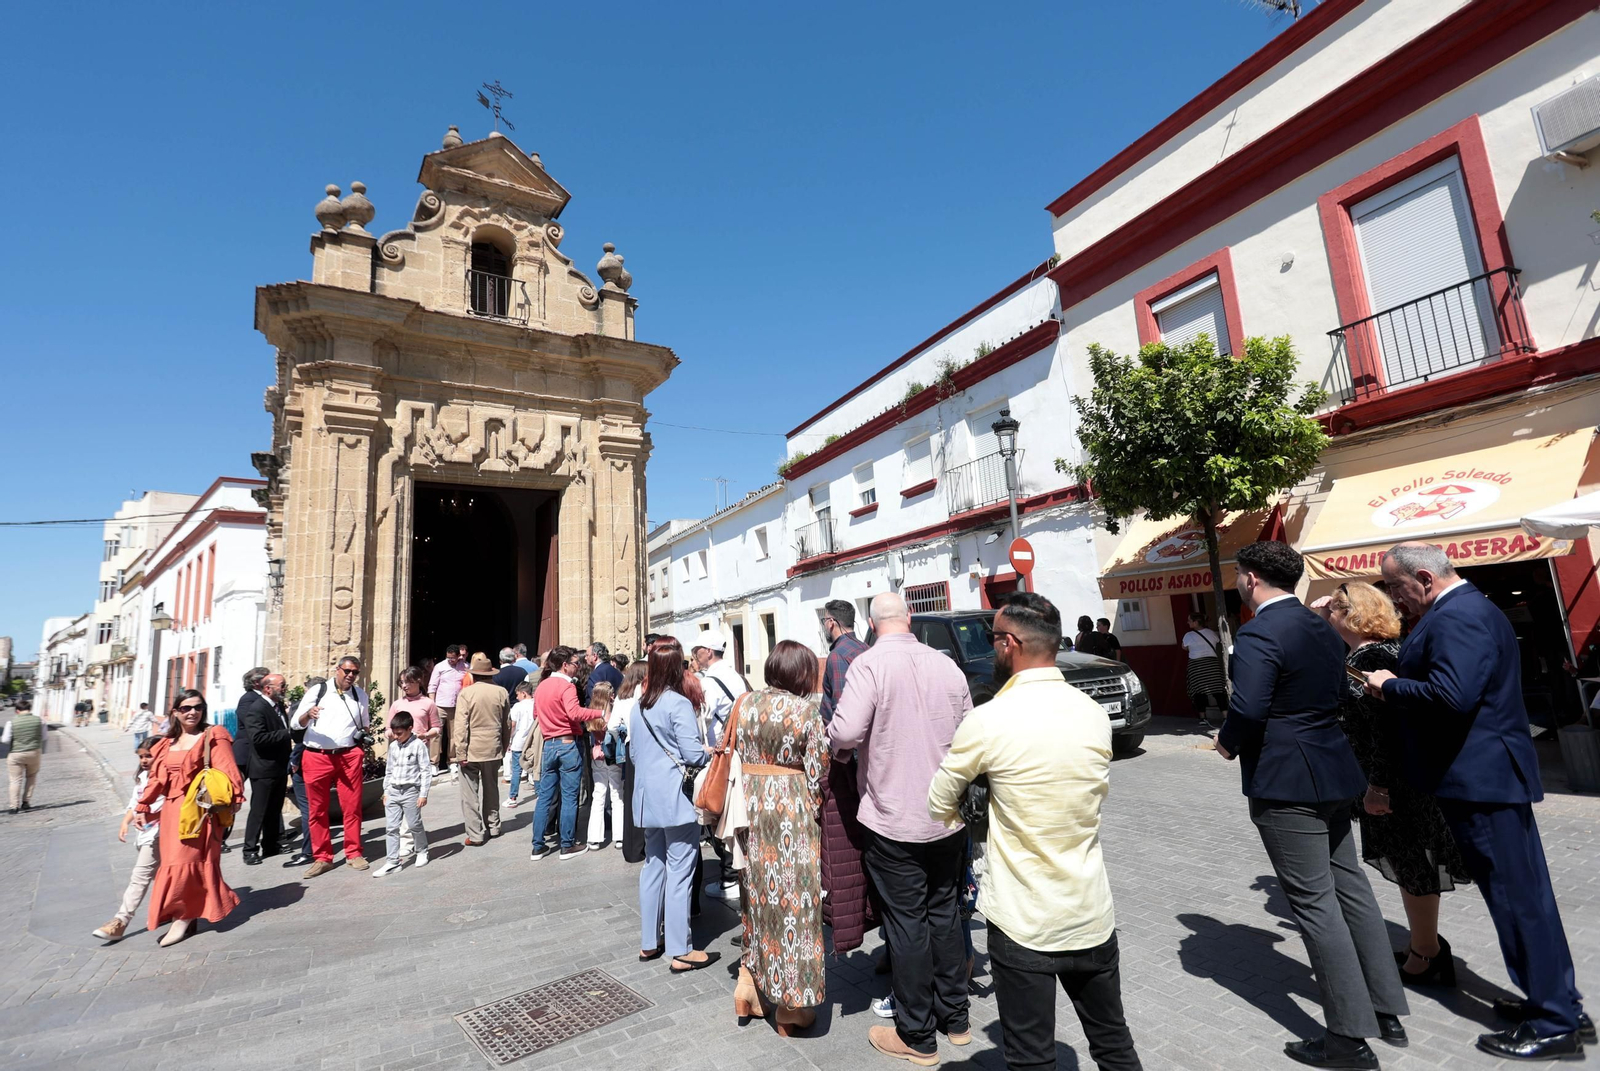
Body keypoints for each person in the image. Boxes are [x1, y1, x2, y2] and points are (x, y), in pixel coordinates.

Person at [1367, 542, 1591, 1060]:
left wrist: (1391, 685)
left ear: (1424, 577)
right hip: (1486, 777)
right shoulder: (1466, 609)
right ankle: (1557, 1001)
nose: (1394, 599)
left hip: (1480, 780)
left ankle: (1554, 1022)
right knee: (1527, 898)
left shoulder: (1457, 615)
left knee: (1518, 902)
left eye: (1396, 587)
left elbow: (1453, 695)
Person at [929, 592, 1143, 1071]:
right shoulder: (1091, 711)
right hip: (1090, 908)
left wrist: (976, 813)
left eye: (991, 640)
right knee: (1113, 1042)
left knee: (1030, 1056)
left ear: (1009, 644)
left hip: (1023, 917)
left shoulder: (988, 720)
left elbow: (938, 802)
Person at [1214, 541, 1407, 1069]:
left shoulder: (1259, 632)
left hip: (1286, 779)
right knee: (1351, 889)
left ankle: (1348, 1036)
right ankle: (1386, 1010)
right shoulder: (1321, 625)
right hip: (1333, 768)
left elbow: (1249, 707)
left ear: (1251, 580)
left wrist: (1228, 742)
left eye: (1237, 575)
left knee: (1316, 905)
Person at [829, 591, 973, 1066]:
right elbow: (971, 733)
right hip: (947, 816)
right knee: (946, 914)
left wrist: (845, 750)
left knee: (907, 923)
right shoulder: (947, 665)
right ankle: (956, 1019)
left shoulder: (868, 667)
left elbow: (845, 732)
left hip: (894, 818)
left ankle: (917, 1034)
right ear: (909, 619)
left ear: (871, 625)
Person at [1312, 582, 1470, 987]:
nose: (1327, 616)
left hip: (1394, 784)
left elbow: (1387, 728)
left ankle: (1428, 953)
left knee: (1411, 864)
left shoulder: (1374, 655)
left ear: (1349, 615)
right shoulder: (1371, 652)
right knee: (1408, 864)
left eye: (1332, 610)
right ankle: (1426, 943)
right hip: (1396, 780)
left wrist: (1379, 786)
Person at [729, 640, 830, 1036]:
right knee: (794, 904)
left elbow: (732, 749)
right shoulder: (806, 711)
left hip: (750, 809)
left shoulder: (746, 703)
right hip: (789, 814)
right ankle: (791, 1006)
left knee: (757, 899)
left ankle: (749, 987)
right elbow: (819, 767)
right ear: (802, 674)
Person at [632, 639, 719, 972]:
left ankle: (649, 941)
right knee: (681, 868)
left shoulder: (640, 704)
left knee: (653, 865)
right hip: (674, 796)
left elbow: (635, 753)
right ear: (677, 666)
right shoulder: (677, 703)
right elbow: (693, 754)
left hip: (647, 797)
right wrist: (709, 752)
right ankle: (681, 948)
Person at [133, 690, 242, 946]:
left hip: (200, 811)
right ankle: (185, 913)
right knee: (172, 863)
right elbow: (157, 779)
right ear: (175, 712)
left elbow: (227, 767)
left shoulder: (212, 736)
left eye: (197, 707)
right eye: (185, 708)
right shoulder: (164, 743)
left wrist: (235, 798)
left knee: (189, 862)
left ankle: (182, 918)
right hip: (172, 812)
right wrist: (142, 806)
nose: (192, 712)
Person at [292, 655, 371, 877]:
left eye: (355, 672)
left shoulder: (360, 695)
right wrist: (309, 714)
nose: (351, 676)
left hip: (348, 756)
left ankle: (354, 852)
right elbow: (295, 722)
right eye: (347, 671)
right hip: (317, 756)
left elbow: (365, 724)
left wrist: (360, 744)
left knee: (352, 806)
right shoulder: (318, 691)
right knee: (317, 809)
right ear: (337, 670)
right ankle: (322, 857)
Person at [694, 629, 749, 902]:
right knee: (734, 809)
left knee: (716, 810)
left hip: (720, 754)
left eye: (698, 650)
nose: (696, 656)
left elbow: (702, 719)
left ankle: (728, 876)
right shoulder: (735, 675)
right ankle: (735, 873)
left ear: (708, 652)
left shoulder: (709, 682)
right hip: (738, 749)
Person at [93, 737, 164, 942]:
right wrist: (125, 822)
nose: (144, 760)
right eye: (141, 756)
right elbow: (135, 803)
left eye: (148, 755)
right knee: (159, 875)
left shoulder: (165, 778)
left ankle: (120, 922)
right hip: (144, 834)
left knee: (139, 876)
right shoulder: (143, 777)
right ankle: (182, 909)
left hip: (158, 834)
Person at [531, 647, 590, 861]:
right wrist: (601, 712)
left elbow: (536, 714)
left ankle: (538, 846)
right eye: (575, 663)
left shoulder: (542, 685)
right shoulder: (567, 686)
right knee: (569, 797)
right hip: (567, 743)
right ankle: (567, 844)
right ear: (565, 665)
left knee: (544, 797)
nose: (578, 667)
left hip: (548, 745)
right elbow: (575, 713)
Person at [455, 652, 510, 847]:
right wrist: (503, 746)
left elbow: (461, 725)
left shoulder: (466, 693)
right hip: (493, 746)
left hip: (472, 749)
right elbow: (507, 724)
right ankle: (494, 826)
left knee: (470, 794)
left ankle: (476, 833)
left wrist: (460, 751)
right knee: (491, 788)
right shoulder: (501, 692)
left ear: (474, 674)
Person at [238, 669, 292, 865]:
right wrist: (286, 733)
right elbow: (258, 739)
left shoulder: (277, 707)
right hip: (263, 768)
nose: (285, 689)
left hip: (278, 766)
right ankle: (250, 849)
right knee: (259, 810)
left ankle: (271, 844)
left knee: (274, 808)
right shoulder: (257, 709)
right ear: (268, 689)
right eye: (282, 686)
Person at [373, 710, 432, 876]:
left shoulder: (418, 745)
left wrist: (423, 793)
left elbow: (425, 770)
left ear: (410, 729)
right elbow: (389, 770)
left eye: (399, 733)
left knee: (414, 824)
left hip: (411, 790)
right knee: (391, 827)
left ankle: (422, 850)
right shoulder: (393, 746)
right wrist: (386, 790)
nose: (396, 737)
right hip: (393, 790)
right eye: (394, 733)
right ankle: (392, 861)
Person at [615, 660, 648, 863]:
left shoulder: (622, 696)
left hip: (628, 747)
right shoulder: (644, 693)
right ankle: (646, 842)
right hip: (645, 746)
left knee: (630, 796)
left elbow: (611, 724)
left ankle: (632, 848)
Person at [586, 682, 624, 850]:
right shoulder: (613, 713)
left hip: (597, 755)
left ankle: (594, 837)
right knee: (617, 795)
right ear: (609, 696)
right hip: (613, 756)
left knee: (598, 795)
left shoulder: (591, 714)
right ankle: (620, 836)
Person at [820, 598, 867, 725]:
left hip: (844, 739)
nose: (824, 625)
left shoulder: (837, 656)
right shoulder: (866, 648)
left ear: (831, 622)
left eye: (824, 621)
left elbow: (840, 707)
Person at [427, 644, 469, 776]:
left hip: (457, 706)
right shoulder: (440, 666)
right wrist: (432, 704)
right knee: (436, 735)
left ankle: (453, 761)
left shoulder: (465, 667)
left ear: (458, 656)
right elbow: (432, 686)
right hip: (440, 705)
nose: (450, 660)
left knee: (455, 735)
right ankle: (434, 763)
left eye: (453, 658)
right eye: (448, 657)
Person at [1182, 612, 1227, 726]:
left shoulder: (1188, 635)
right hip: (1212, 664)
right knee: (1218, 690)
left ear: (1196, 622)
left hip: (1196, 665)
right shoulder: (1212, 633)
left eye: (1189, 620)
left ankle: (1203, 718)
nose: (1188, 622)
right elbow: (1217, 642)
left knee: (1199, 692)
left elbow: (1185, 647)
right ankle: (1225, 715)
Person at [2, 696, 46, 814]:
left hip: (16, 753)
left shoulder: (11, 722)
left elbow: (5, 740)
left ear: (17, 711)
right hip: (34, 752)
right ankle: (26, 802)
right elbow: (44, 737)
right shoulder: (40, 721)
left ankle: (13, 806)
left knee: (15, 780)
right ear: (30, 709)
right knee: (31, 777)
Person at [506, 679, 536, 808]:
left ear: (523, 693)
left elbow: (512, 725)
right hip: (533, 742)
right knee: (535, 769)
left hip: (518, 742)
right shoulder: (536, 704)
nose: (516, 697)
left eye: (517, 694)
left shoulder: (517, 707)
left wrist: (508, 740)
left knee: (516, 771)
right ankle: (540, 793)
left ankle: (512, 797)